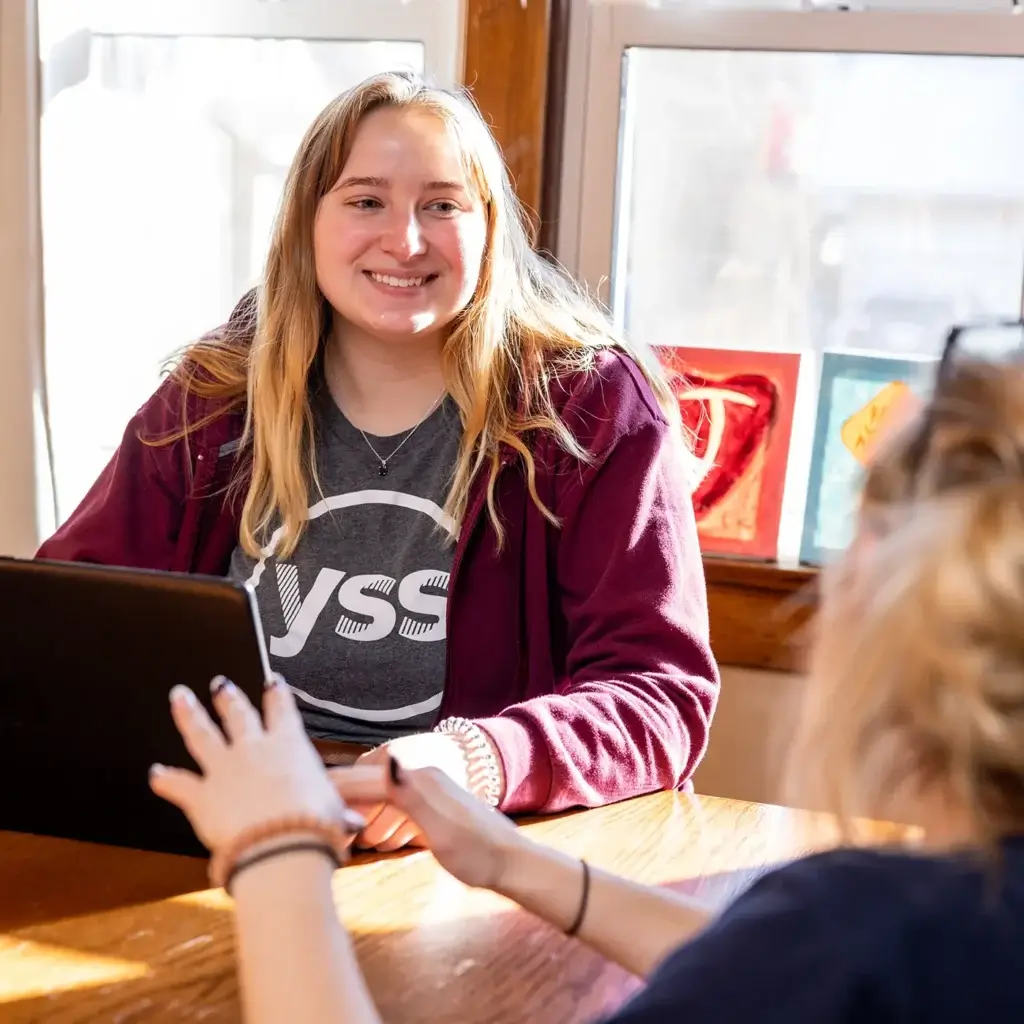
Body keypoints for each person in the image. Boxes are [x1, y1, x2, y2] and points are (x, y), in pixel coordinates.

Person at [151, 332, 1024, 1022]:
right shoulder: (906, 934)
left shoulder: (861, 925)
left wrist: (276, 853)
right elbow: (767, 964)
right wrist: (516, 863)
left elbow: (800, 957)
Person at [35, 71, 719, 847]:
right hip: (232, 826)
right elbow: (65, 627)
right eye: (365, 201)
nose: (406, 240)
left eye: (442, 203)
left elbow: (660, 697)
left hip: (469, 849)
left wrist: (477, 761)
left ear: (489, 226)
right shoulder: (215, 393)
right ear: (307, 223)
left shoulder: (586, 406)